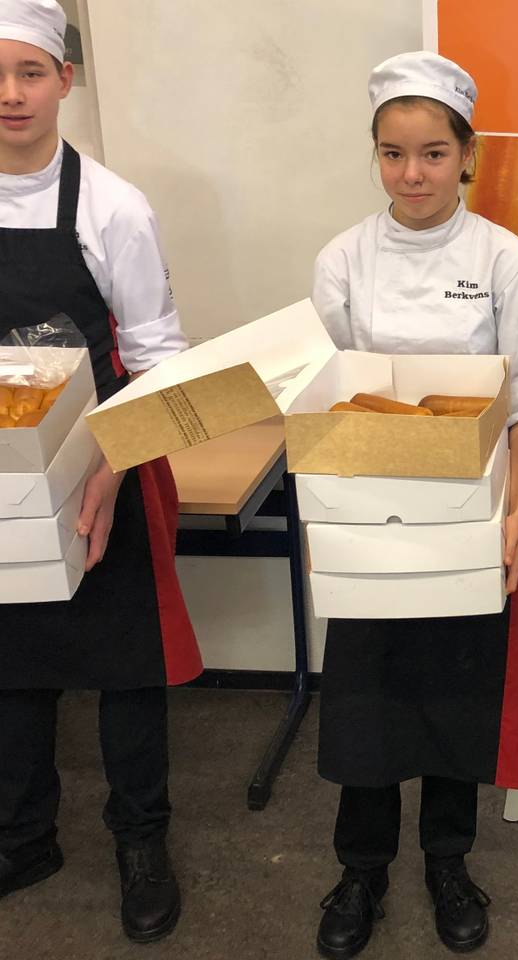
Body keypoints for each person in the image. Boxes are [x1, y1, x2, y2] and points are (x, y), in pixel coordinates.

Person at [309, 50, 518, 959]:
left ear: (468, 155)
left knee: (457, 697)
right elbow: (323, 393)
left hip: (469, 515)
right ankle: (360, 869)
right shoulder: (343, 259)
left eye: (432, 154)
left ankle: (449, 858)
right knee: (365, 702)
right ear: (375, 157)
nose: (412, 174)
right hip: (368, 514)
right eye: (392, 154)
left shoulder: (504, 257)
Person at [0, 0, 201, 943]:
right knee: (9, 666)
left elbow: (158, 358)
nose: (10, 95)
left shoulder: (112, 207)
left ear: (64, 82)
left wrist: (107, 473)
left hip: (100, 460)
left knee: (126, 664)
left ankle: (140, 837)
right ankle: (22, 834)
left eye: (30, 73)